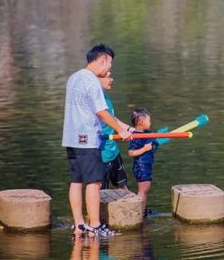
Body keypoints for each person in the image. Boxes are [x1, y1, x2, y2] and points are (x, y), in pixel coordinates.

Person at [62, 44, 132, 238]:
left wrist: (122, 127)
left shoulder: (73, 78)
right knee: (94, 182)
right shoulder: (92, 81)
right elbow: (102, 112)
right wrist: (120, 130)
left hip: (71, 137)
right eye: (109, 64)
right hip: (88, 139)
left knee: (76, 181)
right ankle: (95, 226)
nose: (109, 69)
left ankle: (79, 225)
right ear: (102, 60)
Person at [98, 71, 129, 190]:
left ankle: (131, 209)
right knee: (100, 192)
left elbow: (111, 117)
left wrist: (128, 128)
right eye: (108, 77)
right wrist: (121, 131)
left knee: (122, 188)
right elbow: (102, 116)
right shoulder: (96, 98)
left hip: (113, 150)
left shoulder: (105, 96)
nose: (112, 79)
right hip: (101, 153)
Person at [128, 107, 159, 217]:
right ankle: (139, 212)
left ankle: (143, 210)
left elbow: (153, 142)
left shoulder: (147, 133)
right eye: (149, 121)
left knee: (145, 189)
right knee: (142, 190)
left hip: (147, 165)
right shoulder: (136, 136)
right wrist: (144, 149)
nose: (150, 122)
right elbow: (131, 153)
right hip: (141, 167)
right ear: (141, 122)